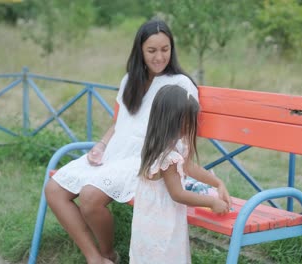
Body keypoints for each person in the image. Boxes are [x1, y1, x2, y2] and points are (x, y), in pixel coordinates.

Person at [44, 18, 200, 264]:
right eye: (151, 51)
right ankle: (95, 258)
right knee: (53, 189)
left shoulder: (180, 84)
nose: (159, 57)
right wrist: (102, 145)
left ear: (172, 48)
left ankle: (108, 253)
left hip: (147, 160)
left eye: (165, 49)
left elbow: (186, 133)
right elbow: (120, 122)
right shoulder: (130, 80)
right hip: (116, 152)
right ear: (140, 50)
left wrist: (181, 168)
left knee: (90, 196)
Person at [129, 85, 232, 263]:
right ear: (176, 120)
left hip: (150, 219)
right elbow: (178, 194)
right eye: (190, 120)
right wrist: (212, 202)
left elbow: (189, 166)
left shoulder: (160, 143)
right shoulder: (168, 157)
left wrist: (218, 183)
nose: (194, 124)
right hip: (161, 225)